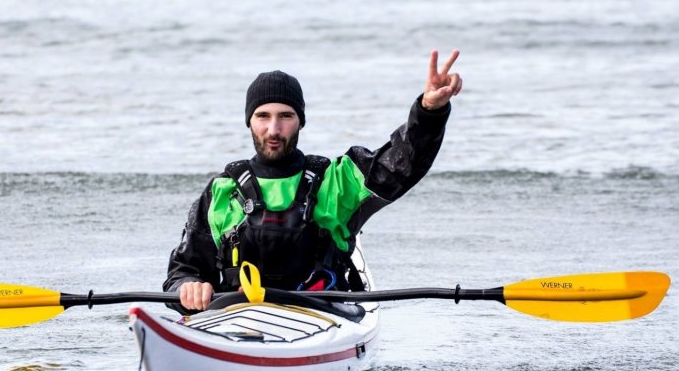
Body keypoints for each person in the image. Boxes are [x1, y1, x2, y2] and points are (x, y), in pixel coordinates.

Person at [165, 49, 463, 312]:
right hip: (235, 319)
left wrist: (429, 112)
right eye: (262, 116)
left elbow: (402, 164)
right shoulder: (222, 191)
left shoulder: (335, 180)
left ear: (300, 121)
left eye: (286, 116)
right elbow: (182, 270)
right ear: (249, 122)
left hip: (322, 316)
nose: (273, 129)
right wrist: (189, 286)